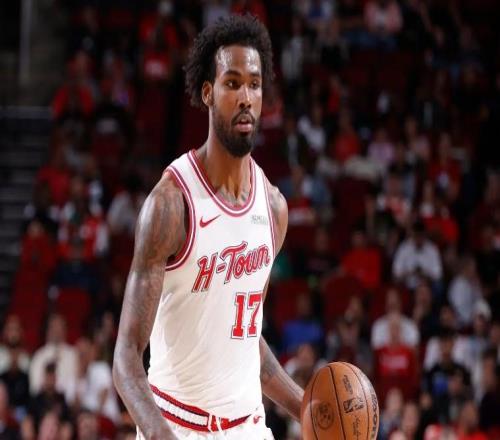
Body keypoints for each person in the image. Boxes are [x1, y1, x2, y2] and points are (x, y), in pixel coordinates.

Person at [112, 15, 303, 439]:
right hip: (177, 426)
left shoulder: (273, 208)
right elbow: (126, 358)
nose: (246, 97)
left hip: (248, 426)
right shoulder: (170, 205)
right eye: (232, 83)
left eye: (254, 85)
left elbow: (246, 338)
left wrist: (307, 408)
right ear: (208, 93)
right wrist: (159, 434)